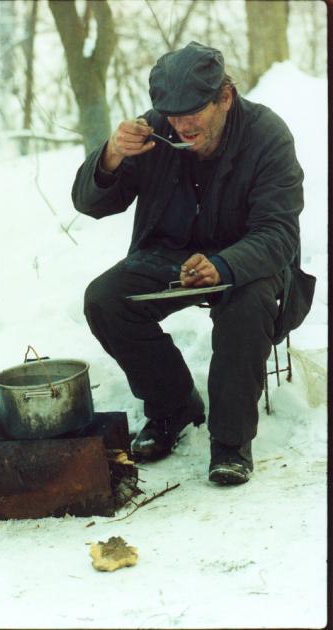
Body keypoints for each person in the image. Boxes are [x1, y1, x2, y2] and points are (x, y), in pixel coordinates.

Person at [71, 41, 315, 485]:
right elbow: (90, 205)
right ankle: (173, 406)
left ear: (225, 97)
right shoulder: (156, 131)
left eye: (192, 113)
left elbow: (279, 234)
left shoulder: (267, 136)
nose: (180, 125)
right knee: (106, 299)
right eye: (171, 113)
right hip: (170, 255)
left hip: (247, 261)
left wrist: (223, 265)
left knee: (246, 307)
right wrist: (111, 156)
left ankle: (229, 442)